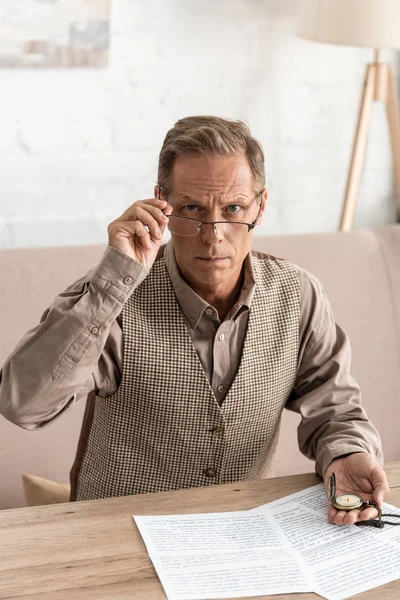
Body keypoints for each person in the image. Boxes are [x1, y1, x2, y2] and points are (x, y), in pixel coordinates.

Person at [0, 116, 389, 525]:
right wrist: (112, 280)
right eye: (192, 209)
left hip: (242, 533)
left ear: (261, 205)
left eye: (234, 208)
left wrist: (348, 453)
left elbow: (336, 410)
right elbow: (23, 405)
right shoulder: (112, 298)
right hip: (113, 537)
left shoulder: (299, 295)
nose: (212, 234)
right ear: (159, 204)